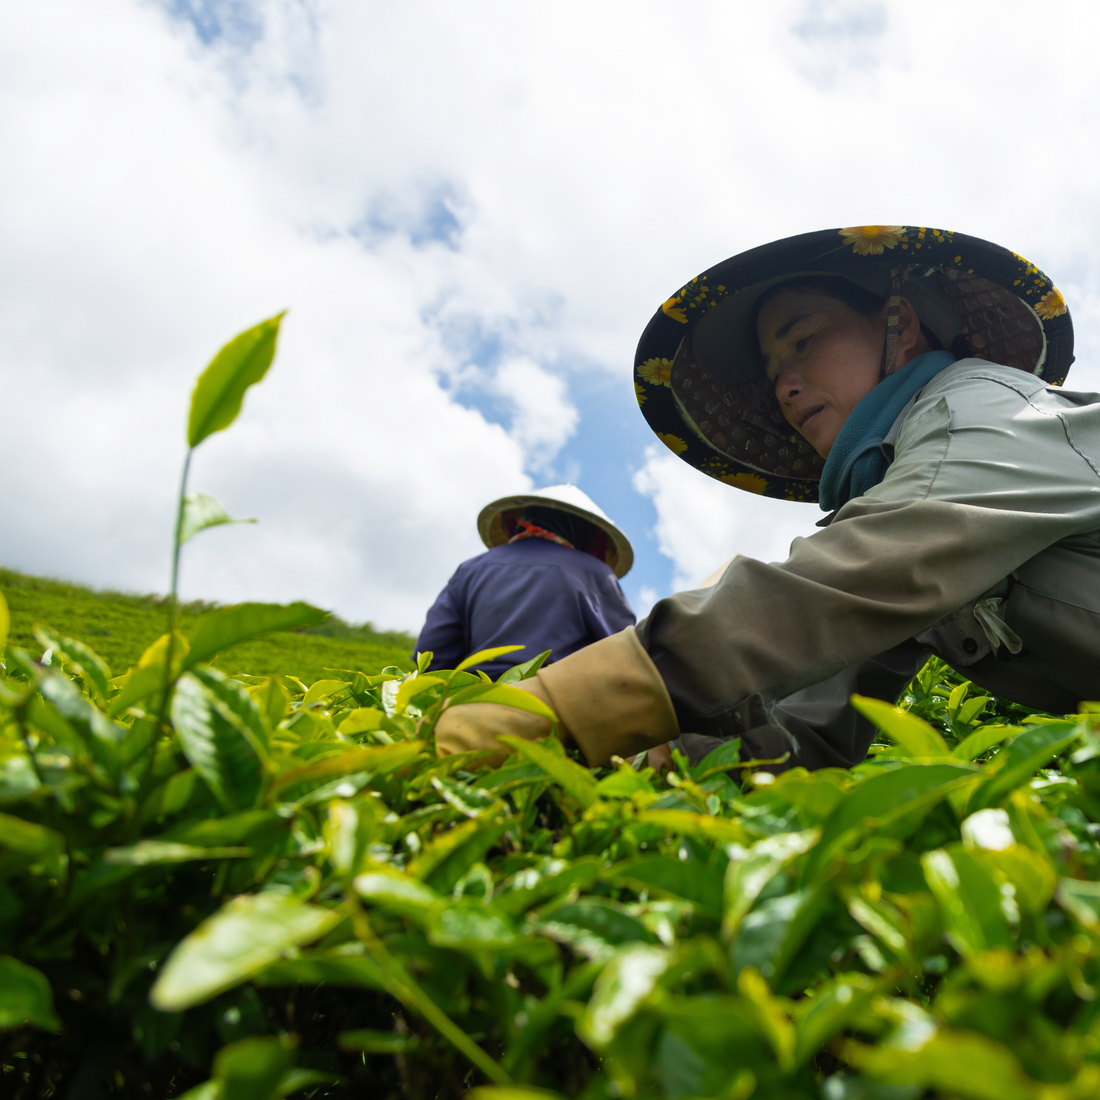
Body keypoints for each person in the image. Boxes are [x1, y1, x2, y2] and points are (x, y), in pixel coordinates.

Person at [434, 224, 1100, 771]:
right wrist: (635, 769)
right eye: (775, 369)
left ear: (900, 328)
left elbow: (820, 595)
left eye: (804, 341)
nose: (785, 387)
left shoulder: (981, 409)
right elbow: (808, 718)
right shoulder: (895, 515)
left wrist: (541, 715)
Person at [415, 485, 636, 678]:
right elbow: (629, 659)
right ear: (586, 532)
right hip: (556, 711)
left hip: (469, 706)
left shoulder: (469, 570)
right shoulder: (595, 573)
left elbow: (431, 656)